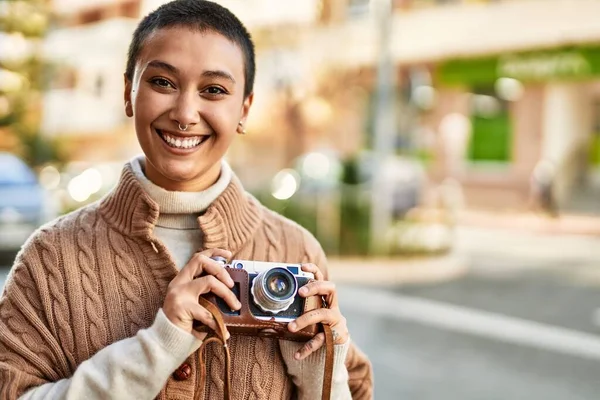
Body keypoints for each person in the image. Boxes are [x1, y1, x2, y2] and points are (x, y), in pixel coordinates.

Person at [0, 1, 373, 399]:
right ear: (128, 92)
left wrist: (322, 374)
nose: (185, 113)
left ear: (244, 109)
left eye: (214, 90)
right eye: (162, 82)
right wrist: (159, 345)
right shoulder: (49, 259)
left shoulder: (296, 251)